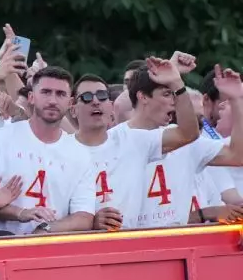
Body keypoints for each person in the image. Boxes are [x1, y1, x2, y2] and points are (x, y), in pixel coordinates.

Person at [71, 60, 197, 232]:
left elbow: (188, 133)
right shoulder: (62, 149)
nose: (95, 101)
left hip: (131, 245)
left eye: (101, 96)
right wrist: (90, 220)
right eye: (86, 97)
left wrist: (176, 83)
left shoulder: (133, 140)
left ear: (110, 105)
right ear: (73, 109)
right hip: (81, 248)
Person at [0, 67, 95, 235]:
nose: (53, 100)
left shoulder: (80, 153)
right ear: (31, 97)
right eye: (46, 92)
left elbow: (84, 217)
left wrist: (46, 229)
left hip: (49, 252)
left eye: (61, 94)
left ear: (70, 102)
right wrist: (20, 213)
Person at [127, 63, 243, 228]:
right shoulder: (114, 140)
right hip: (131, 245)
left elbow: (237, 156)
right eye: (167, 94)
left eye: (175, 94)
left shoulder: (186, 143)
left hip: (179, 245)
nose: (175, 102)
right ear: (143, 97)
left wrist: (236, 99)